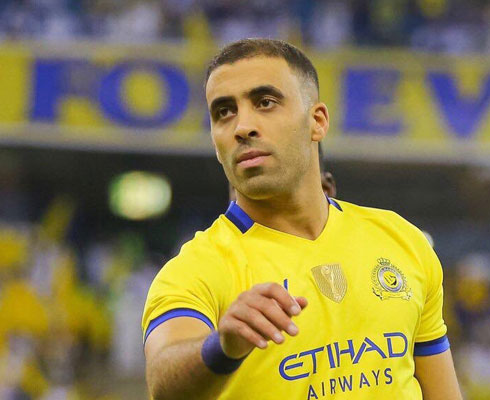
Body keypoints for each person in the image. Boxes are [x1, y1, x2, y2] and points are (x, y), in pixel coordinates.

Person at [142, 38, 462, 400]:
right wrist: (222, 347)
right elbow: (163, 380)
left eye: (265, 102)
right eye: (224, 112)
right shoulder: (193, 271)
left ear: (317, 121)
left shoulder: (401, 241)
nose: (242, 126)